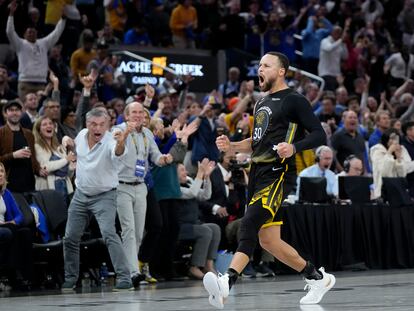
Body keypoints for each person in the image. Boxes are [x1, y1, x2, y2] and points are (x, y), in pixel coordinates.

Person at [203, 52, 335, 309]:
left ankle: (226, 282)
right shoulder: (261, 103)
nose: (259, 70)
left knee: (249, 223)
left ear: (282, 70)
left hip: (278, 172)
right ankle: (317, 278)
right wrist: (231, 146)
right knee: (269, 241)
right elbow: (255, 143)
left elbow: (319, 135)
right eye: (259, 65)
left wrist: (294, 148)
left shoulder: (294, 100)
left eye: (265, 65)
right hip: (257, 173)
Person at [62, 108, 133, 291]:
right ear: (87, 125)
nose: (97, 128)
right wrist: (67, 142)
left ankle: (125, 278)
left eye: (102, 124)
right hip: (81, 194)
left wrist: (121, 142)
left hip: (104, 195)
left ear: (107, 125)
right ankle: (70, 278)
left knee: (109, 233)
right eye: (94, 124)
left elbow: (117, 152)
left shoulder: (112, 140)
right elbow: (74, 151)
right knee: (70, 237)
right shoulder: (82, 134)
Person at [114, 101, 173, 288]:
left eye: (141, 112)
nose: (138, 115)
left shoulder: (147, 133)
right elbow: (117, 152)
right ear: (126, 115)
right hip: (121, 185)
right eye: (134, 112)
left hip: (141, 186)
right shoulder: (118, 129)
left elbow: (154, 156)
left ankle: (131, 269)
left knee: (139, 232)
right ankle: (132, 272)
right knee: (128, 230)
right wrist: (123, 137)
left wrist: (163, 159)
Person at [6, 0, 66, 99]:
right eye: (29, 32)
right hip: (25, 82)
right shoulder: (20, 44)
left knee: (40, 111)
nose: (31, 33)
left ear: (36, 34)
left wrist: (63, 19)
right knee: (25, 109)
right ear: (24, 34)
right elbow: (10, 32)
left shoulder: (43, 43)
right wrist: (11, 14)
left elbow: (56, 33)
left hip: (41, 83)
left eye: (33, 32)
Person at [0, 161, 33, 290]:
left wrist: (13, 222)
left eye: (2, 171)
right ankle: (14, 275)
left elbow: (19, 215)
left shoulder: (6, 193)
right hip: (3, 228)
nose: (0, 174)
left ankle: (27, 276)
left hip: (7, 227)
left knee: (25, 232)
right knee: (12, 231)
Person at [33, 116, 76, 204]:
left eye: (50, 124)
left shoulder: (59, 148)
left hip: (65, 189)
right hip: (48, 191)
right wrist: (66, 160)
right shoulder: (37, 147)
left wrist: (72, 166)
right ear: (39, 130)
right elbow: (46, 167)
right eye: (44, 124)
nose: (49, 126)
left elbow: (68, 174)